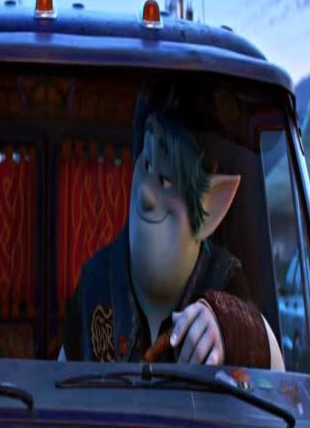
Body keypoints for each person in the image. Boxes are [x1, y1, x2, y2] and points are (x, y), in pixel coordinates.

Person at [62, 104, 284, 370]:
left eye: (165, 180)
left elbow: (275, 373)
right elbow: (61, 374)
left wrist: (231, 327)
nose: (145, 193)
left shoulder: (223, 279)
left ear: (209, 206)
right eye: (146, 165)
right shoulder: (97, 280)